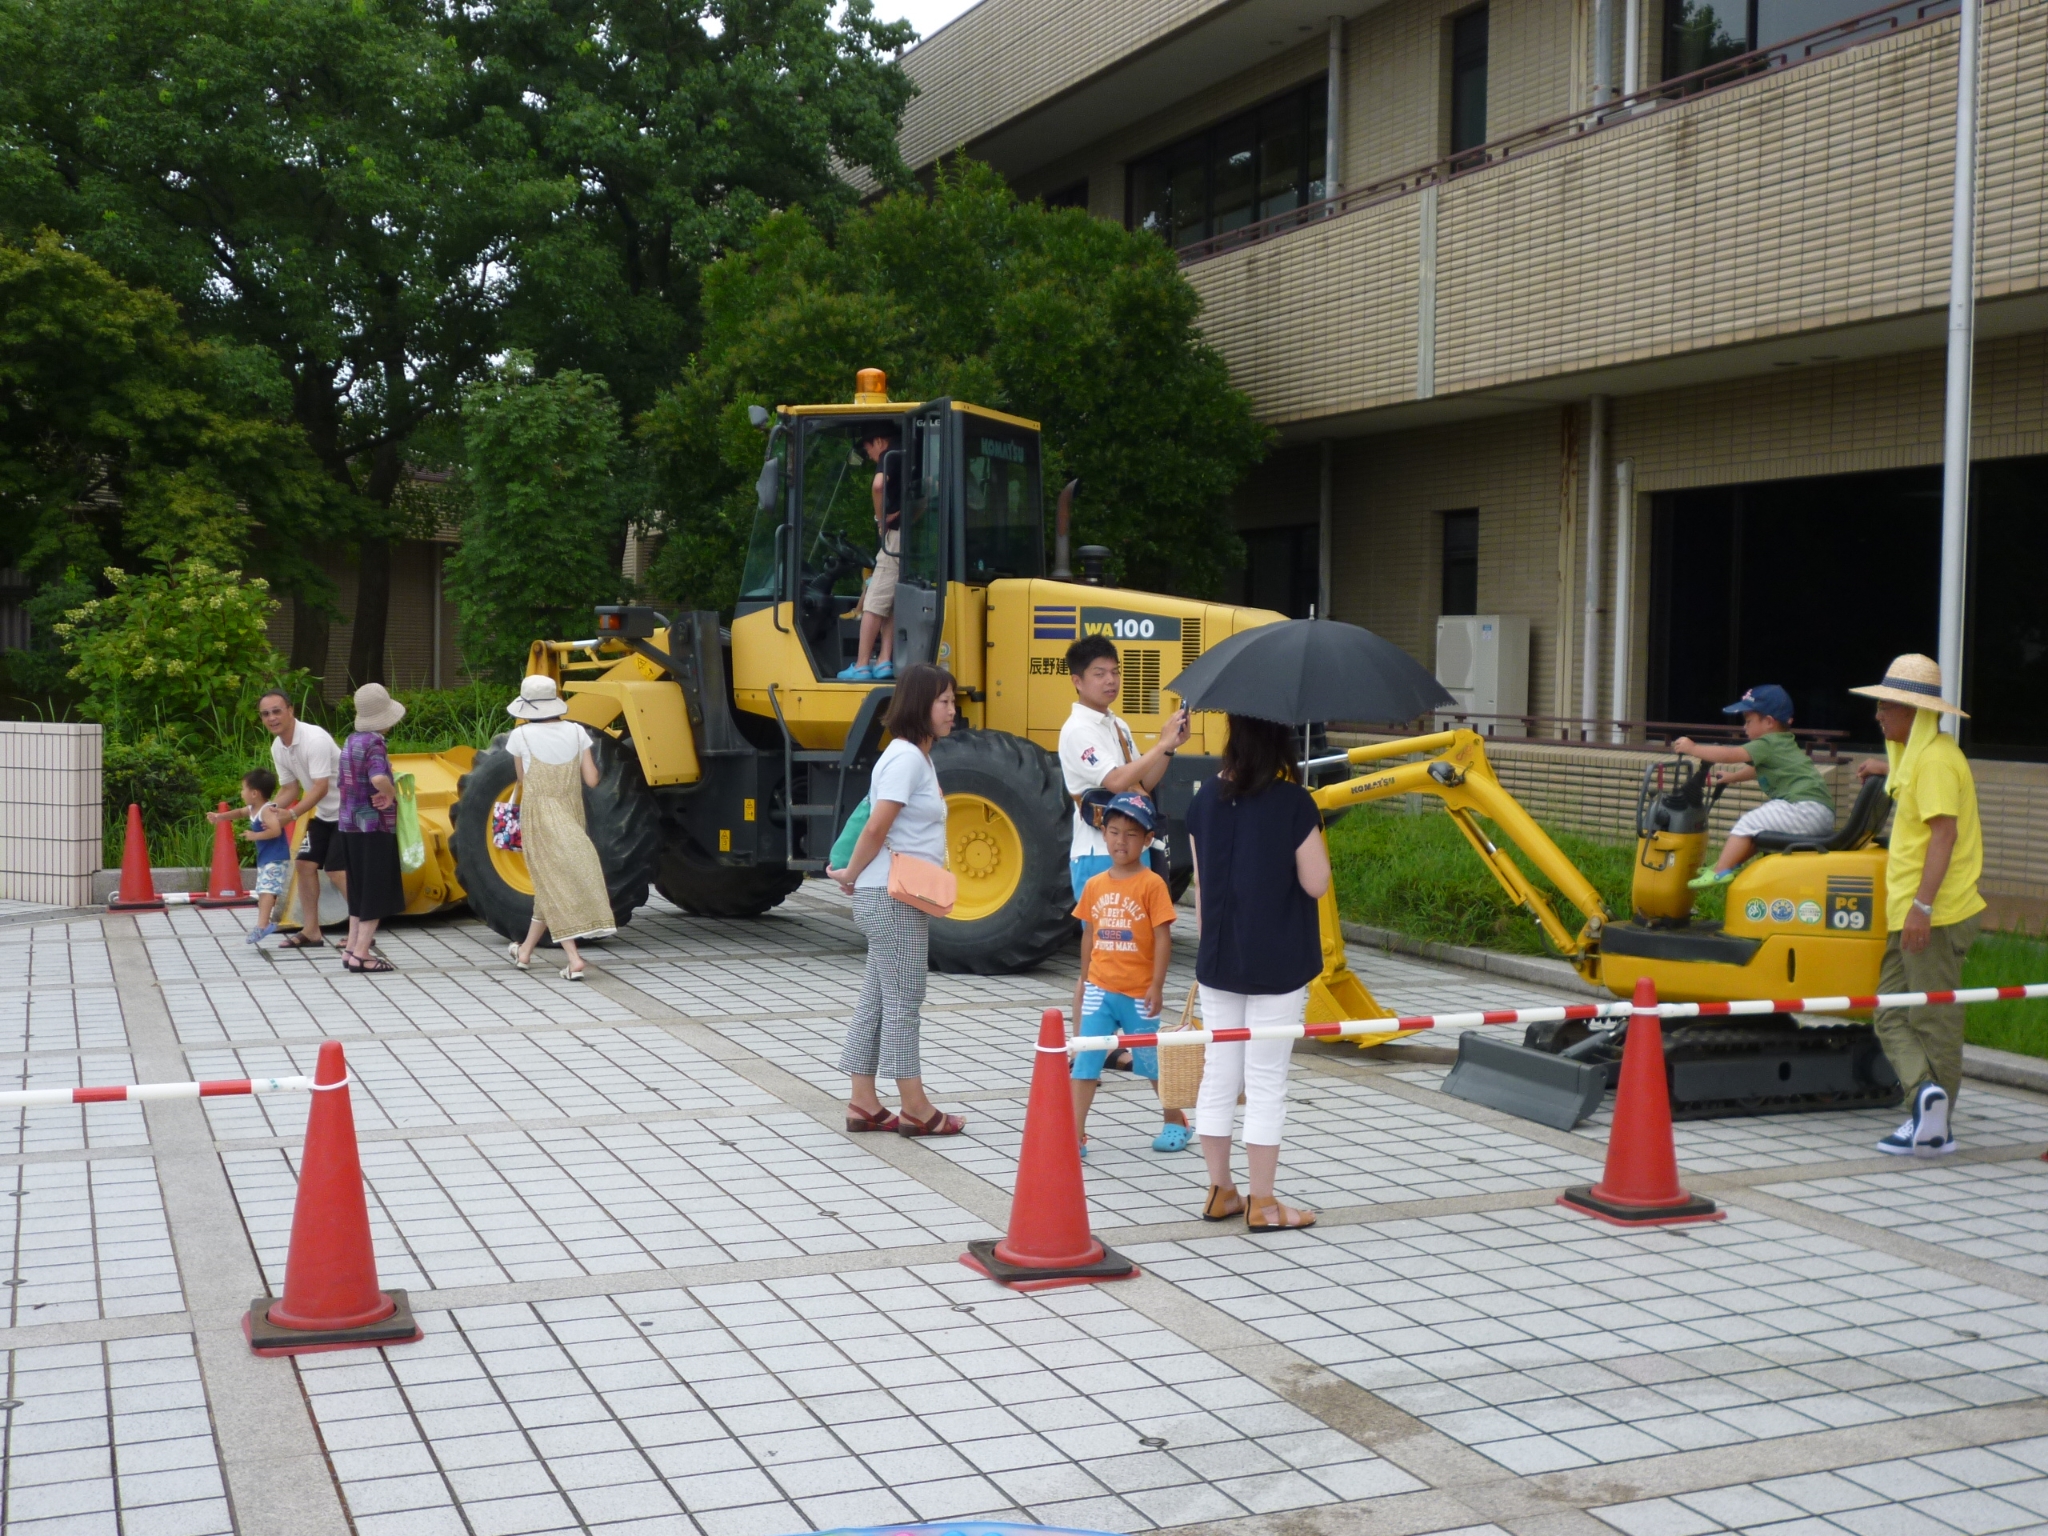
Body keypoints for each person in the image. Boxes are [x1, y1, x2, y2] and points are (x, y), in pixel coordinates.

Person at [1184, 713, 1329, 1232]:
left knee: (1220, 1071)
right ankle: (1264, 1204)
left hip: (1219, 959)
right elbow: (1316, 884)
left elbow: (1200, 889)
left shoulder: (1203, 800)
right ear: (1279, 738)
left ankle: (1221, 1190)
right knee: (1266, 1081)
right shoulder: (1294, 802)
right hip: (1278, 960)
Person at [1850, 654, 1984, 1157]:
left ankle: (1936, 1121)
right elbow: (1912, 776)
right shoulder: (1921, 757)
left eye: (1887, 706)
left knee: (1933, 1018)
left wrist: (1923, 908)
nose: (1879, 715)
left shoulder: (1935, 763)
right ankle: (1926, 1097)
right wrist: (1886, 764)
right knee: (1889, 1009)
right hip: (1911, 908)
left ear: (1914, 712)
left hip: (1934, 913)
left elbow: (1943, 836)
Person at [826, 662, 967, 1138]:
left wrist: (856, 874)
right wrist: (851, 871)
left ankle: (863, 1101)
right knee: (905, 1000)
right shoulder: (905, 758)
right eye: (944, 701)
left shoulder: (914, 756)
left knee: (877, 999)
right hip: (893, 898)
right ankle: (916, 1106)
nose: (953, 709)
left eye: (953, 700)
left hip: (891, 894)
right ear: (919, 705)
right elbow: (876, 825)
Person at [1069, 792, 1190, 1157]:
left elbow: (1162, 936)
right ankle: (1074, 1135)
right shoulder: (1094, 885)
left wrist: (1156, 985)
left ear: (1148, 839)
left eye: (1132, 834)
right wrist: (1084, 977)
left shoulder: (1152, 884)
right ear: (1102, 833)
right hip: (1098, 989)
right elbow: (1089, 933)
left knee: (1151, 1061)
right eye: (1114, 831)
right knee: (1086, 1060)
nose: (1121, 841)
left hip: (1139, 993)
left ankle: (1176, 1120)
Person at [208, 689, 345, 948]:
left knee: (337, 871)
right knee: (305, 866)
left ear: (291, 710)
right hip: (325, 813)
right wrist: (265, 814)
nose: (272, 718)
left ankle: (363, 930)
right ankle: (312, 931)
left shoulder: (313, 739)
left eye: (277, 711)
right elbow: (290, 789)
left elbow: (320, 787)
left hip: (348, 811)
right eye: (265, 714)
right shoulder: (278, 746)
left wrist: (291, 814)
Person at [1059, 634, 1190, 902]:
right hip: (1096, 852)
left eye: (1115, 672)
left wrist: (1169, 747)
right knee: (1100, 936)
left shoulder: (1118, 725)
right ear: (1077, 681)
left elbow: (1142, 785)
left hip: (1131, 848)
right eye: (1100, 673)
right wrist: (1160, 743)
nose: (1111, 680)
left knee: (1135, 936)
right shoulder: (1077, 730)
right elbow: (1116, 782)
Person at [503, 675, 615, 981]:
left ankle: (574, 958)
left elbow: (523, 780)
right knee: (549, 881)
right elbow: (592, 780)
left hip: (539, 814)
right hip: (570, 812)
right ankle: (525, 951)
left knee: (550, 881)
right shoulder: (578, 732)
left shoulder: (521, 736)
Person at [1674, 684, 1835, 888]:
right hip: (1819, 812)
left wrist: (1694, 748)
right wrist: (1732, 778)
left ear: (1769, 722)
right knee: (1756, 831)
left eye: (1749, 721)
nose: (1745, 727)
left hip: (1803, 808)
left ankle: (1719, 871)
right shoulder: (1783, 743)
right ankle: (1728, 865)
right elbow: (1758, 770)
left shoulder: (1768, 743)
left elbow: (1730, 755)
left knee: (1747, 822)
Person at [336, 683, 408, 975]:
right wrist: (390, 794)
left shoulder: (351, 740)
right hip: (374, 824)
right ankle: (363, 953)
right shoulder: (375, 744)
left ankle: (351, 948)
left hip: (349, 822)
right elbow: (378, 777)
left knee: (358, 889)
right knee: (375, 890)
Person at [837, 427, 902, 682]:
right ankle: (884, 660)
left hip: (895, 537)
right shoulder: (915, 454)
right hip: (908, 536)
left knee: (874, 599)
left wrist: (881, 517)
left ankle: (862, 664)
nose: (872, 457)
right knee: (892, 600)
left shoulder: (890, 454)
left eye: (869, 450)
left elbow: (877, 486)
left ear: (879, 439)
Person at [238, 768, 291, 946]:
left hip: (276, 857)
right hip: (267, 858)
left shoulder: (267, 810)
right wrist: (220, 817)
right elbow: (238, 813)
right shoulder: (254, 809)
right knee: (263, 889)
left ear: (254, 793)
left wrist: (255, 836)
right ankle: (262, 924)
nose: (241, 792)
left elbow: (275, 831)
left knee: (267, 889)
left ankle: (262, 925)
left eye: (243, 789)